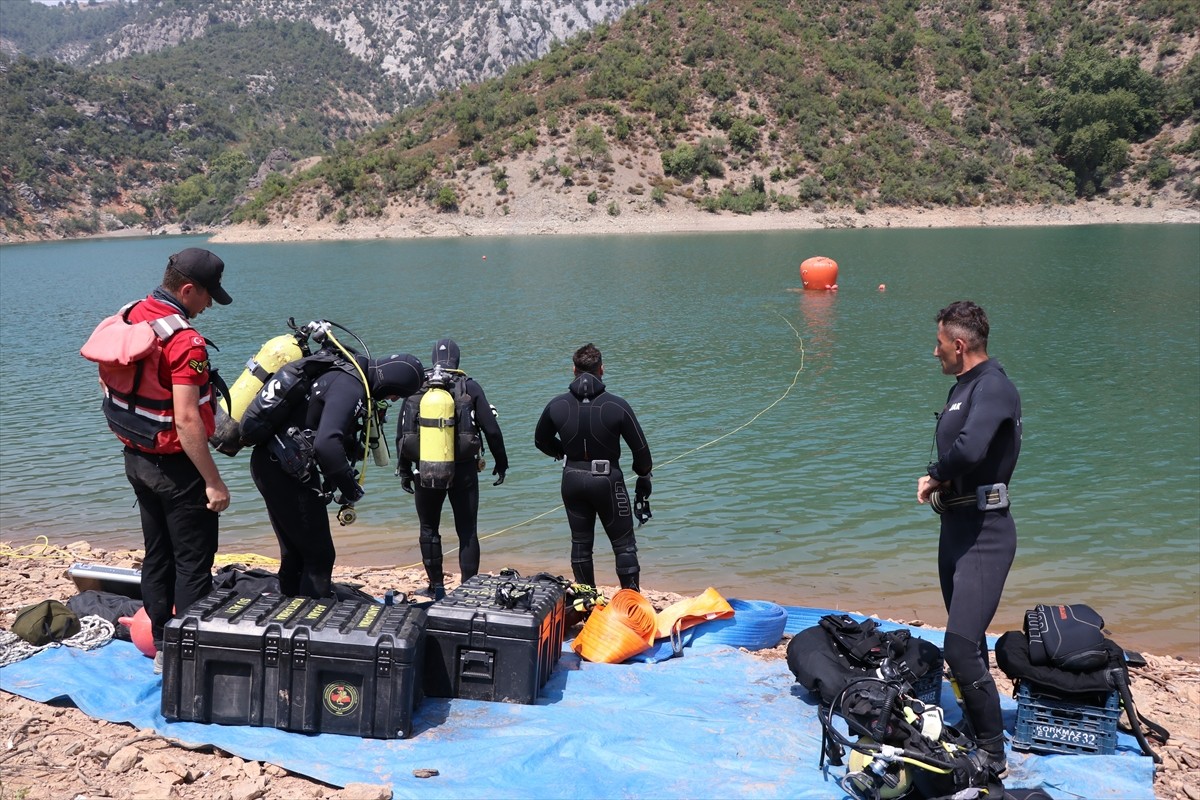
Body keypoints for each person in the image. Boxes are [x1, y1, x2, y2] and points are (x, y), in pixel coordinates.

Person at [102, 248, 232, 673]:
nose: (209, 304)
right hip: (176, 469)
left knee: (157, 552)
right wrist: (213, 482)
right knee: (193, 562)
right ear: (188, 289)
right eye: (208, 295)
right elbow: (189, 419)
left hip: (135, 457)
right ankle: (187, 658)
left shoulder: (133, 314)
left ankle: (161, 642)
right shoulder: (183, 340)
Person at [916, 300, 1022, 775]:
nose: (934, 351)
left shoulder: (994, 387)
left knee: (957, 645)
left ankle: (992, 754)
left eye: (939, 343)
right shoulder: (965, 386)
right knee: (970, 642)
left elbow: (972, 448)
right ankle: (978, 730)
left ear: (959, 346)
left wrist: (935, 475)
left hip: (985, 532)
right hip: (955, 527)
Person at [250, 350, 423, 599]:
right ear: (391, 383)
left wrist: (337, 480)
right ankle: (312, 625)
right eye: (398, 393)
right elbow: (327, 444)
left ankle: (289, 617)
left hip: (273, 464)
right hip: (284, 473)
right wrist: (351, 488)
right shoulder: (350, 386)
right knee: (319, 556)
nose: (394, 399)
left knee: (295, 553)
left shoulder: (344, 375)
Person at [395, 339, 509, 599]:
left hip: (425, 469)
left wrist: (403, 469)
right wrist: (501, 462)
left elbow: (402, 433)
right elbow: (491, 429)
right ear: (456, 360)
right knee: (467, 529)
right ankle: (468, 589)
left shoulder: (417, 388)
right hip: (464, 471)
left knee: (428, 528)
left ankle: (436, 588)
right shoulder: (469, 386)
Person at [535, 343, 652, 590]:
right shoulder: (617, 405)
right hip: (608, 481)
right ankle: (630, 604)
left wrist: (563, 452)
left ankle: (587, 603)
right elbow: (640, 450)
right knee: (624, 545)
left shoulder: (557, 405)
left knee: (581, 543)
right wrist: (643, 477)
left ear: (573, 370)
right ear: (602, 369)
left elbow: (540, 441)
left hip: (572, 480)